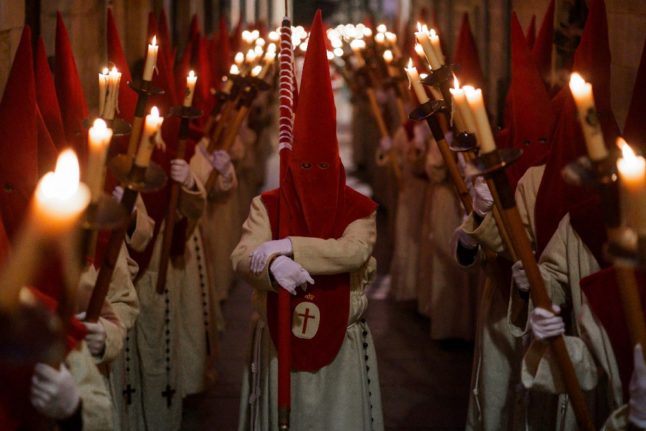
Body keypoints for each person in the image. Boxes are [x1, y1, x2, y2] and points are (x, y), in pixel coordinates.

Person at [232, 11, 384, 430]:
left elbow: (352, 252)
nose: (314, 175)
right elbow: (243, 257)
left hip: (342, 349)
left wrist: (290, 247)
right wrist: (272, 267)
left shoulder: (358, 208)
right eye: (306, 166)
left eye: (323, 165)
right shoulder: (270, 205)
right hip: (278, 344)